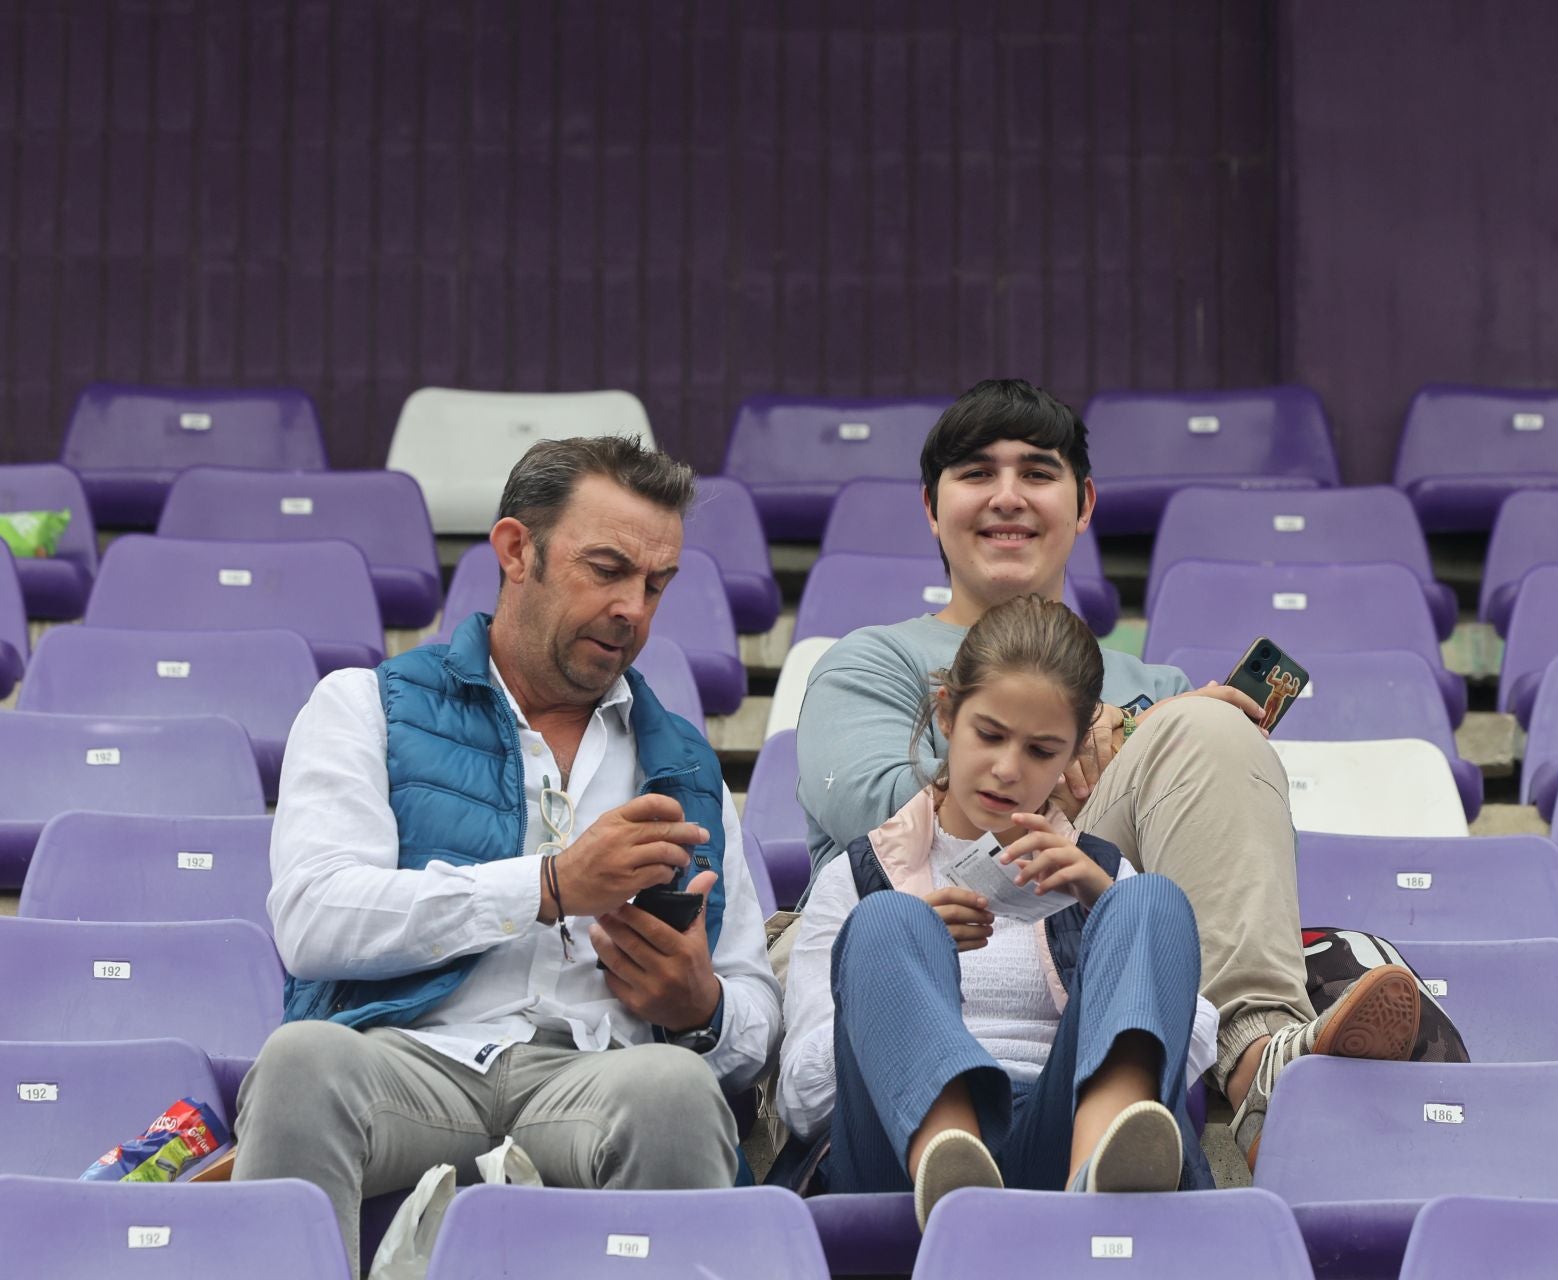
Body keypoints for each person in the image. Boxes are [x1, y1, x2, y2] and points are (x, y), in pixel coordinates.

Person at [795, 379, 1422, 1170]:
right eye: (977, 473)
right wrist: (1090, 744)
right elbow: (877, 817)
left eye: (1037, 473)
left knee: (1199, 748)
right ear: (931, 505)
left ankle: (1255, 1051)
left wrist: (1136, 737)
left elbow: (1173, 911)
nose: (1008, 497)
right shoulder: (870, 663)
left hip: (1083, 996)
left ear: (1084, 502)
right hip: (910, 967)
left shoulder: (1157, 694)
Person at [234, 438, 780, 1270]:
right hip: (405, 1061)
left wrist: (701, 1008)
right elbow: (313, 918)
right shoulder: (365, 706)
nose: (633, 608)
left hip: (597, 1075)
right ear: (517, 550)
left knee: (676, 1089)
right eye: (607, 570)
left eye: (655, 585)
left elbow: (753, 1009)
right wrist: (548, 886)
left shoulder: (684, 763)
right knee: (301, 1063)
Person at [781, 595, 1214, 1227]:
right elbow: (803, 1097)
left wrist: (1103, 910)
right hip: (900, 1168)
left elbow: (1192, 1051)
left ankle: (1099, 1178)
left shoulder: (1101, 871)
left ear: (1072, 757)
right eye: (989, 735)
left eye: (1042, 751)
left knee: (1150, 899)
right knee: (887, 924)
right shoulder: (859, 874)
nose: (1007, 769)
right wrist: (904, 976)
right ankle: (953, 1174)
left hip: (1059, 1141)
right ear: (947, 715)